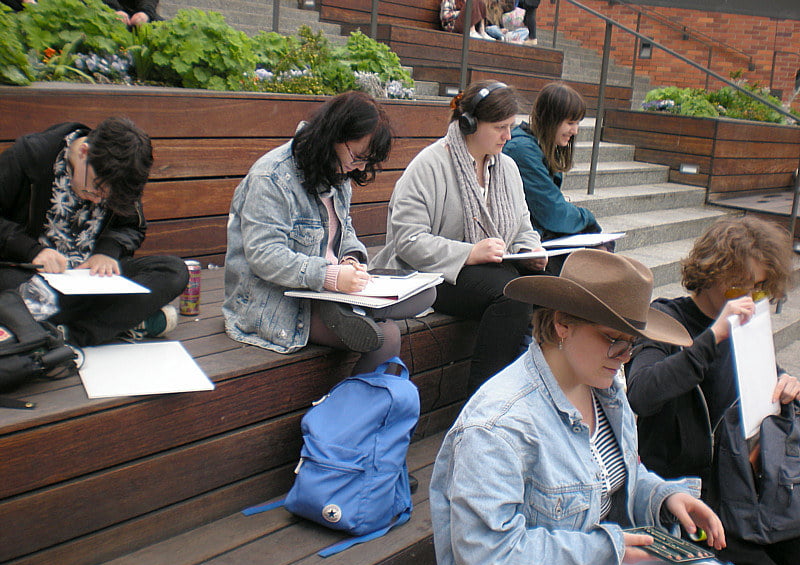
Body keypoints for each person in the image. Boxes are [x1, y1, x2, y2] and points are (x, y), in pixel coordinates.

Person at [430, 249, 727, 565]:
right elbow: (488, 550)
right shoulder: (498, 427)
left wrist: (664, 497)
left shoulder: (604, 386)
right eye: (612, 339)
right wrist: (607, 551)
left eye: (631, 344)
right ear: (563, 324)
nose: (624, 358)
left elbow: (614, 476)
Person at [626, 215, 800, 565]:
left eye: (759, 289)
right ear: (712, 272)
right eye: (741, 285)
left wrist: (786, 383)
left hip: (742, 491)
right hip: (686, 496)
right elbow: (641, 392)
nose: (750, 297)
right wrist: (712, 337)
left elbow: (766, 380)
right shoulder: (665, 319)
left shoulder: (747, 324)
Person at [223, 91, 434, 376]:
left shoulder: (337, 171)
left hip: (328, 290)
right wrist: (330, 277)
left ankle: (350, 308)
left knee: (427, 294)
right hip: (280, 300)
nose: (359, 167)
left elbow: (344, 229)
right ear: (334, 135)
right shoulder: (271, 177)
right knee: (386, 337)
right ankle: (347, 318)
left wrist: (350, 259)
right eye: (358, 157)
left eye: (367, 161)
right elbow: (265, 255)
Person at [371, 81, 546, 395]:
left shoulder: (507, 167)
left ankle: (537, 391)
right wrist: (469, 253)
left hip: (488, 269)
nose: (508, 136)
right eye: (500, 127)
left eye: (510, 126)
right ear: (469, 124)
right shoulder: (429, 165)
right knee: (512, 295)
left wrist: (529, 248)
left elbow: (522, 224)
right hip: (429, 275)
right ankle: (484, 403)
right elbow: (408, 240)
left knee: (554, 281)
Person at [0, 117, 189, 347]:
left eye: (108, 197)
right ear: (84, 152)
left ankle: (69, 334)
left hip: (92, 278)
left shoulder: (121, 176)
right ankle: (121, 320)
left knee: (173, 271)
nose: (98, 200)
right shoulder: (30, 157)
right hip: (32, 274)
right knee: (22, 291)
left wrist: (107, 252)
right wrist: (32, 251)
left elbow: (130, 226)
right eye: (95, 188)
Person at [503, 81, 605, 274]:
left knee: (601, 254)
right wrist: (588, 218)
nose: (575, 131)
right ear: (550, 120)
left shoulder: (539, 146)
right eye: (570, 123)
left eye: (577, 123)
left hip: (539, 233)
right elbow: (552, 213)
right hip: (523, 243)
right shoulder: (522, 150)